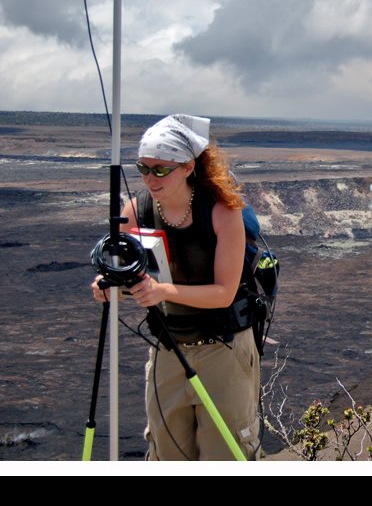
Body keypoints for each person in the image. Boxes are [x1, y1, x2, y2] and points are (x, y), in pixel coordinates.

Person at [91, 114, 260, 460]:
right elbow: (126, 274)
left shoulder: (223, 212)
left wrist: (164, 292)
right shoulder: (137, 210)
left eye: (160, 169)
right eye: (143, 168)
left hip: (223, 351)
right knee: (167, 453)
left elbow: (224, 293)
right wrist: (108, 286)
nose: (149, 178)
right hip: (168, 350)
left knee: (225, 454)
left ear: (186, 167)